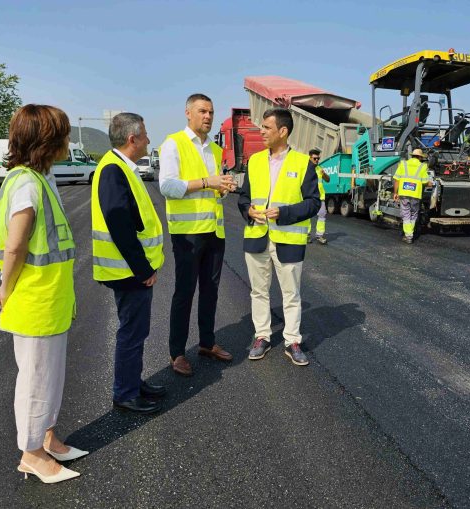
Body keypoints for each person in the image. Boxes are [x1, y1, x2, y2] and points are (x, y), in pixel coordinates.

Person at [0, 104, 86, 484]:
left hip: (50, 298)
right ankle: (31, 453)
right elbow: (15, 246)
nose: (67, 141)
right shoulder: (28, 184)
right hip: (34, 300)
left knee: (50, 376)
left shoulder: (38, 176)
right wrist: (5, 286)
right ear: (48, 141)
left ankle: (47, 437)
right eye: (63, 134)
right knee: (35, 380)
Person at [92, 112, 166, 414]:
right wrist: (143, 269)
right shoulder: (113, 169)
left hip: (129, 270)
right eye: (145, 135)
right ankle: (125, 392)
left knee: (137, 331)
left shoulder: (121, 166)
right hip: (127, 272)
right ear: (132, 139)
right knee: (132, 333)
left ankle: (133, 383)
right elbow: (119, 224)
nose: (149, 139)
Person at [158, 94, 236, 377]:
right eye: (202, 111)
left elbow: (212, 188)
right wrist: (207, 182)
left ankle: (206, 343)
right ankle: (177, 352)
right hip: (188, 234)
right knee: (185, 292)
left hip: (214, 230)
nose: (208, 116)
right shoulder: (173, 143)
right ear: (188, 113)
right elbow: (167, 186)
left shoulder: (214, 150)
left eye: (211, 112)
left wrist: (222, 187)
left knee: (211, 290)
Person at [238, 108, 320, 366]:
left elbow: (313, 203)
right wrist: (248, 210)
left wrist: (283, 212)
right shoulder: (254, 161)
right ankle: (262, 336)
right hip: (257, 236)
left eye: (266, 127)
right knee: (258, 292)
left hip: (288, 241)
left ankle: (292, 340)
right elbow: (243, 198)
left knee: (291, 294)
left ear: (283, 131)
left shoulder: (302, 163)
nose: (261, 131)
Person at [393, 148, 431, 244]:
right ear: (420, 157)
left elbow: (397, 180)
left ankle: (408, 235)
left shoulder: (403, 164)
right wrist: (430, 184)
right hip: (415, 194)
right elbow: (425, 182)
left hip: (404, 193)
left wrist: (395, 193)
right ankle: (410, 234)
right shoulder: (423, 166)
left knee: (406, 214)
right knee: (413, 214)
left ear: (412, 156)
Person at [306, 148, 330, 245]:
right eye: (315, 158)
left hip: (320, 197)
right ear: (310, 157)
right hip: (308, 196)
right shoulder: (305, 168)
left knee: (322, 215)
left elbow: (328, 180)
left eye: (318, 159)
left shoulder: (319, 169)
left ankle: (319, 235)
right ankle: (307, 235)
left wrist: (324, 175)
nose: (317, 160)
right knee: (307, 216)